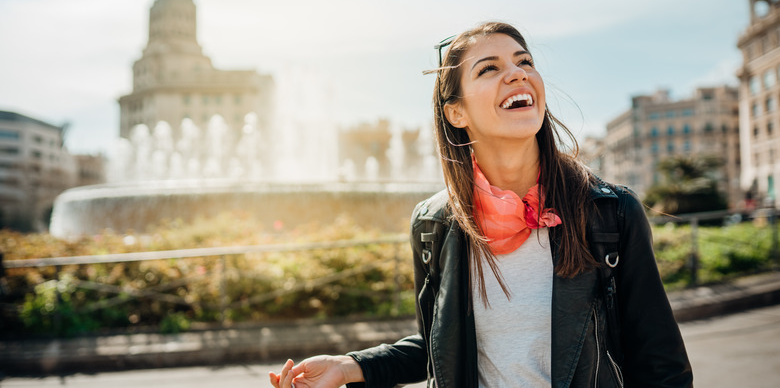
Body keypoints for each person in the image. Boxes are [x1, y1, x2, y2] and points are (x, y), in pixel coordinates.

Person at [270, 22, 693, 388]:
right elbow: (441, 343)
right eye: (490, 68)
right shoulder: (434, 223)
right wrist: (349, 366)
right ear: (456, 112)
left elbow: (661, 365)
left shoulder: (611, 212)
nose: (517, 74)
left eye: (524, 62)